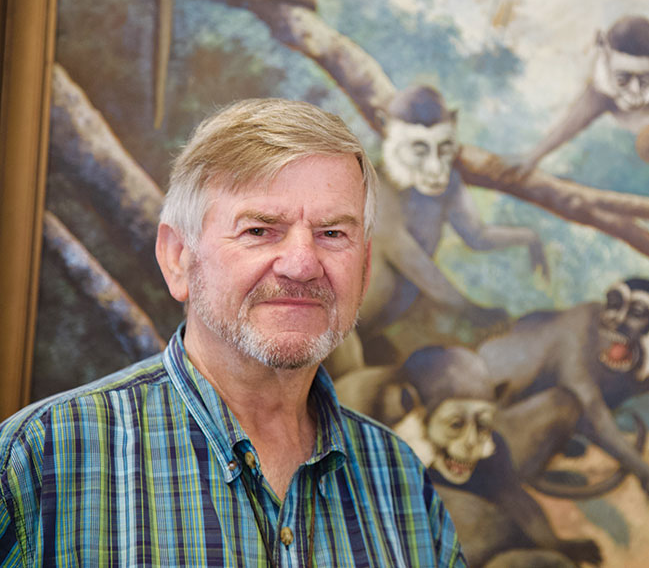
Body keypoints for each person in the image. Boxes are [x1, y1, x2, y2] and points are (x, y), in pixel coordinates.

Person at [0, 99, 467, 566]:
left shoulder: (403, 481)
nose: (302, 265)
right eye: (260, 230)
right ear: (178, 259)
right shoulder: (40, 460)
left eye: (332, 234)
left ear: (363, 271)